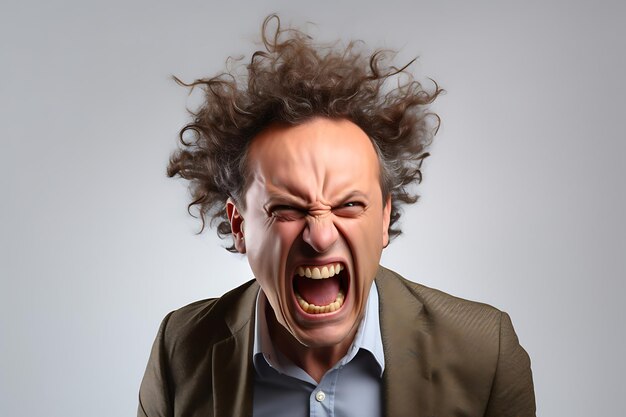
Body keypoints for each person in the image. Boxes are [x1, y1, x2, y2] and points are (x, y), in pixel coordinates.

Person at [138, 15, 535, 417]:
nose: (320, 236)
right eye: (288, 209)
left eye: (348, 205)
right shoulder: (181, 349)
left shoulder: (486, 353)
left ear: (384, 218)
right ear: (240, 225)